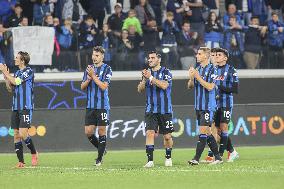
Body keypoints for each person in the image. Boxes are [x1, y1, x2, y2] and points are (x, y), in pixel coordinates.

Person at [0, 51, 38, 168]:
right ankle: (21, 162)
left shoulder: (29, 71)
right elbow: (10, 88)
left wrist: (6, 72)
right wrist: (6, 78)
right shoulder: (16, 72)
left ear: (22, 61)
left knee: (23, 133)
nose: (15, 59)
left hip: (25, 107)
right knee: (16, 134)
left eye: (17, 58)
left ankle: (34, 153)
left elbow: (16, 81)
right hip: (15, 107)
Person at [137, 51, 174, 168]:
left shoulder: (166, 72)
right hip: (151, 109)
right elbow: (140, 89)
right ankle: (150, 160)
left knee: (167, 136)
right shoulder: (147, 73)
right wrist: (144, 79)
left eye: (153, 58)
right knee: (149, 133)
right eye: (149, 58)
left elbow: (164, 85)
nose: (150, 60)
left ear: (159, 59)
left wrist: (151, 77)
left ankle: (168, 157)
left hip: (165, 110)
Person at [187, 47, 223, 166]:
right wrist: (192, 77)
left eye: (199, 54)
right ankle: (218, 157)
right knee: (207, 132)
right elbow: (190, 86)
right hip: (198, 106)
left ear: (206, 56)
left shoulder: (213, 69)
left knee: (202, 131)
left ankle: (196, 158)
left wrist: (197, 76)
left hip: (208, 106)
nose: (197, 56)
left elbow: (210, 87)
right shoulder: (197, 69)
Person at [80, 46, 112, 166]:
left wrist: (93, 76)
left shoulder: (107, 69)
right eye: (93, 55)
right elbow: (82, 87)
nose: (94, 57)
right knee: (88, 132)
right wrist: (88, 79)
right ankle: (102, 149)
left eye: (97, 55)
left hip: (102, 105)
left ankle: (99, 159)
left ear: (102, 56)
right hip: (90, 105)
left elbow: (104, 86)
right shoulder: (88, 69)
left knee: (102, 131)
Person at [213, 47, 240, 162]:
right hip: (215, 104)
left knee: (224, 127)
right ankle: (233, 152)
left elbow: (235, 89)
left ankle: (220, 155)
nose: (217, 56)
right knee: (218, 131)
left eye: (219, 55)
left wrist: (219, 87)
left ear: (225, 58)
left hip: (226, 103)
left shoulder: (231, 70)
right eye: (216, 54)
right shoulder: (213, 70)